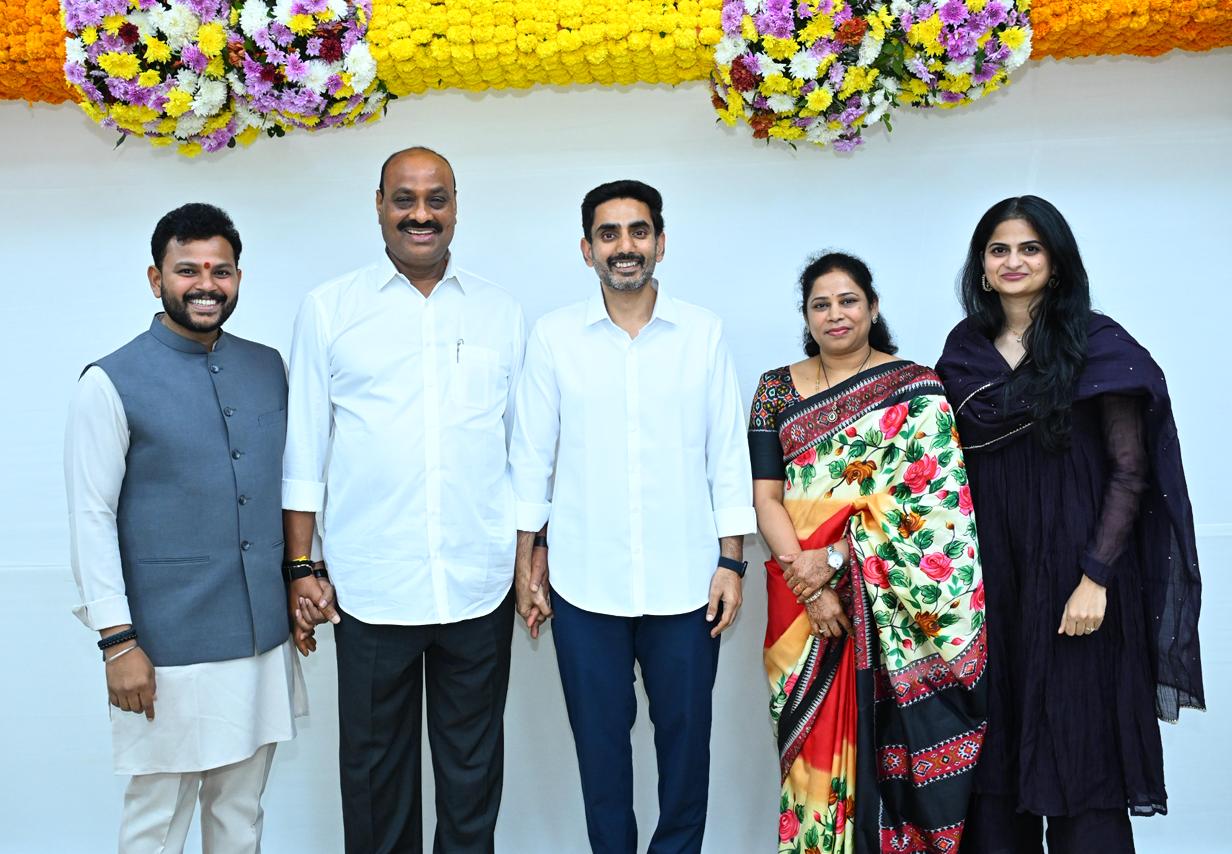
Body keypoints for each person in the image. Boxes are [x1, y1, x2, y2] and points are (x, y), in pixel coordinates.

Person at [936, 196, 1204, 854]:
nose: (1014, 261)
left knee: (1081, 753)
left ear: (1055, 262)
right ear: (981, 265)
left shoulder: (1096, 343)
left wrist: (1096, 577)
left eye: (1030, 248)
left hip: (1075, 583)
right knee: (996, 758)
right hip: (991, 582)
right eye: (999, 249)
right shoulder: (964, 350)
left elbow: (1130, 471)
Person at [282, 147, 525, 853]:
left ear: (456, 207)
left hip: (477, 584)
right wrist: (300, 567)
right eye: (405, 198)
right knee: (374, 782)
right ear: (379, 206)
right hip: (370, 585)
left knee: (473, 782)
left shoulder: (500, 311)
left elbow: (524, 453)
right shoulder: (329, 308)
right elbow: (303, 450)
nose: (421, 214)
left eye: (436, 198)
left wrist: (528, 559)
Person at [508, 179, 756, 853]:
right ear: (586, 249)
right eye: (609, 233)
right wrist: (527, 561)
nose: (625, 246)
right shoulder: (554, 336)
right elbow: (531, 457)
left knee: (687, 747)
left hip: (688, 583)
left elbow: (726, 456)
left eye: (639, 231)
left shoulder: (702, 333)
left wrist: (732, 562)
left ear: (661, 243)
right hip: (584, 583)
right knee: (599, 751)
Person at [65, 203, 305, 853]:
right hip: (164, 646)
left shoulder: (268, 367)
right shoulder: (109, 382)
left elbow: (289, 486)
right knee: (157, 820)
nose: (206, 284)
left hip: (260, 638)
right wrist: (117, 642)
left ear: (238, 277)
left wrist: (302, 578)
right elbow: (90, 517)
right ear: (156, 279)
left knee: (241, 812)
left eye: (220, 270)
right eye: (188, 270)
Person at [749, 252, 987, 853]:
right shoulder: (774, 389)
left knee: (884, 746)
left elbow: (934, 506)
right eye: (820, 305)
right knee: (808, 752)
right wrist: (808, 584)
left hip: (890, 599)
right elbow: (766, 498)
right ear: (806, 316)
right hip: (797, 596)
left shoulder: (916, 388)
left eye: (848, 301)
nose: (835, 314)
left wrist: (835, 561)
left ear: (873, 307)